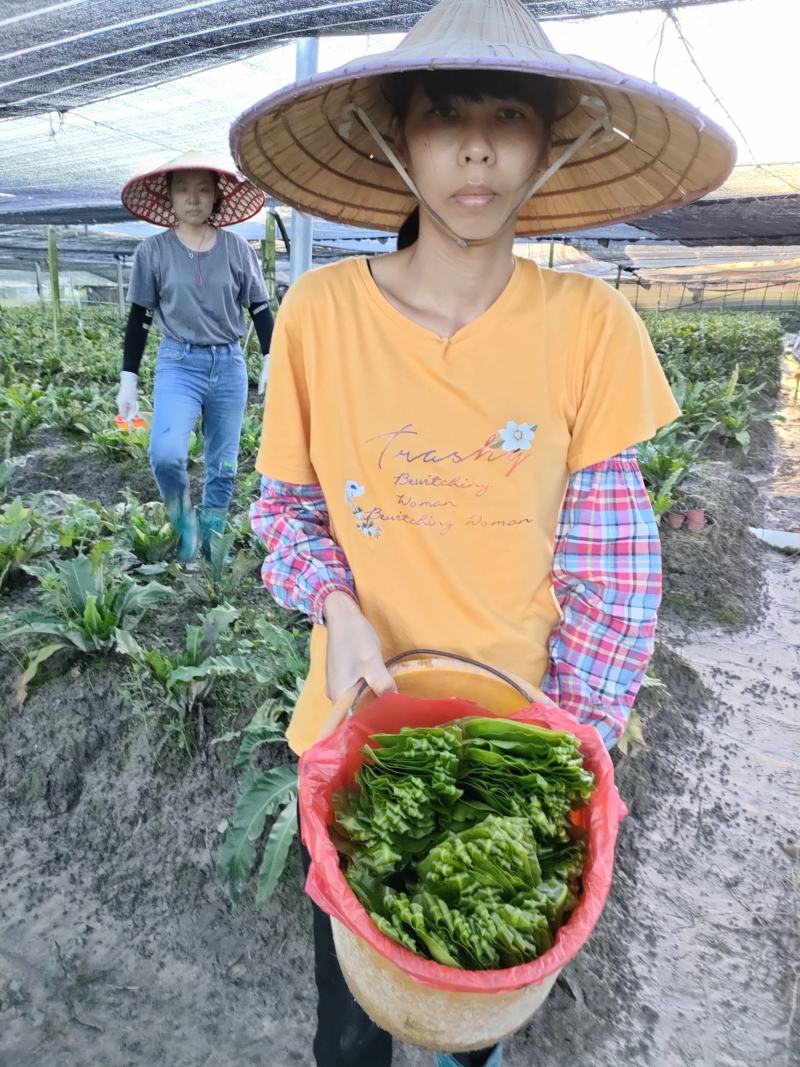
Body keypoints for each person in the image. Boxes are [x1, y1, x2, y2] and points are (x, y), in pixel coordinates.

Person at [233, 0, 736, 1063]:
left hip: (515, 741)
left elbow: (614, 566)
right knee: (349, 1026)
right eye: (443, 114)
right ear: (394, 139)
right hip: (352, 740)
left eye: (507, 114)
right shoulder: (319, 315)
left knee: (477, 1027)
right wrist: (336, 604)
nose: (474, 145)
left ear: (547, 149)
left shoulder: (587, 326)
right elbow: (287, 509)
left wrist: (579, 739)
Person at [116, 151, 274, 561]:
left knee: (223, 463)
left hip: (228, 364)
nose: (193, 198)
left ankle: (212, 535)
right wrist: (128, 378)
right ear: (169, 196)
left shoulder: (239, 249)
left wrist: (271, 354)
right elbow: (140, 316)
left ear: (216, 197)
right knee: (166, 453)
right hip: (178, 362)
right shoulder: (153, 252)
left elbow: (259, 307)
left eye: (203, 190)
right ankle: (183, 518)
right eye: (183, 189)